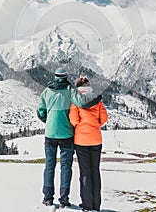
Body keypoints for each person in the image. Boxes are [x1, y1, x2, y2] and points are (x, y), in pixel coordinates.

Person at [37, 68, 101, 209]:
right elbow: (82, 102)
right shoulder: (70, 90)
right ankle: (63, 199)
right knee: (65, 167)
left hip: (50, 134)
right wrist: (96, 97)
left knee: (49, 166)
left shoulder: (46, 91)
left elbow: (40, 111)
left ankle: (47, 198)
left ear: (54, 76)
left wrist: (49, 122)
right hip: (66, 134)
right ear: (66, 77)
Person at [69, 76, 108, 212]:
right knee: (95, 171)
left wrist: (81, 126)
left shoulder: (76, 101)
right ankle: (96, 205)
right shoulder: (97, 99)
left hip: (81, 141)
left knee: (85, 172)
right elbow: (104, 118)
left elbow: (73, 120)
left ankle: (87, 204)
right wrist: (95, 125)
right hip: (96, 139)